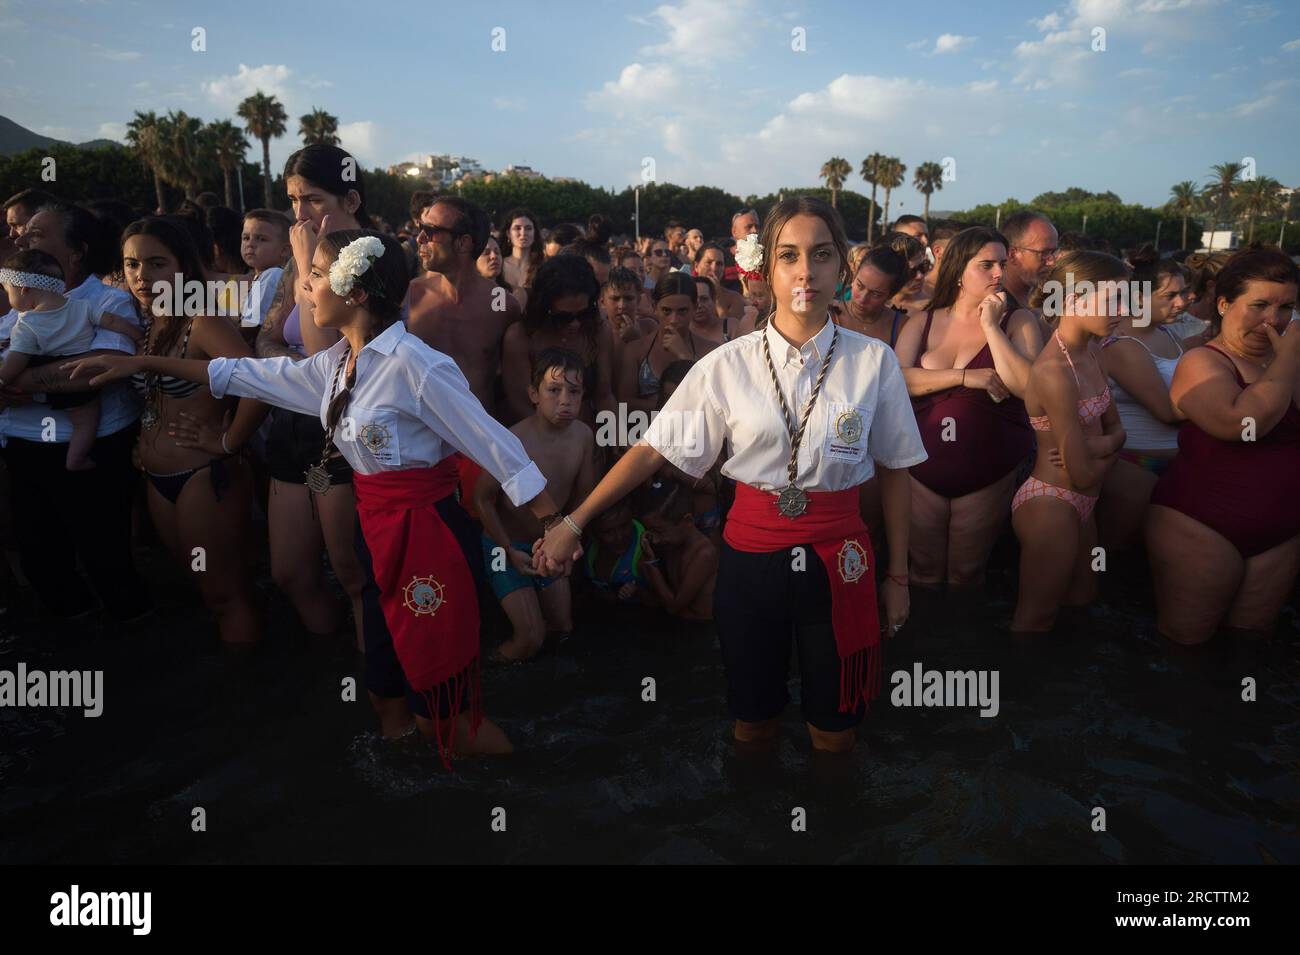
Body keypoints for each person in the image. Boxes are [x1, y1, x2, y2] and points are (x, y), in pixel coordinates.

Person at [68, 230, 569, 764]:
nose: (303, 288)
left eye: (315, 277)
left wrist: (555, 524)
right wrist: (143, 364)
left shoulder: (416, 365)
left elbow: (494, 443)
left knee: (442, 712)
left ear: (354, 292)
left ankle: (533, 788)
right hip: (375, 532)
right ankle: (416, 791)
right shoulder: (334, 367)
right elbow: (244, 373)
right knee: (385, 691)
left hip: (428, 538)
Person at [537, 196, 926, 753]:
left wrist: (899, 577)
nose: (806, 271)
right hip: (751, 560)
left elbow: (895, 470)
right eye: (789, 255)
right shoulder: (726, 364)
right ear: (766, 268)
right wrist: (574, 521)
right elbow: (652, 451)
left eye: (821, 254)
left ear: (841, 264)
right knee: (752, 723)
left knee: (836, 732)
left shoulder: (874, 361)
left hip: (844, 560)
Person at [0, 201, 151, 624]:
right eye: (22, 234)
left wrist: (21, 381)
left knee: (106, 558)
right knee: (40, 557)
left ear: (76, 252)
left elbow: (96, 371)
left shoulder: (106, 302)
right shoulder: (17, 306)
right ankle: (75, 634)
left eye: (36, 235)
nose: (22, 240)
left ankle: (137, 648)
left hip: (93, 444)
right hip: (25, 445)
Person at [1145, 246, 1300, 645]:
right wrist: (1288, 363)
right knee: (1186, 644)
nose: (1273, 320)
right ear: (1225, 303)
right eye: (1260, 305)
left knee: (1249, 646)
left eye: (1285, 308)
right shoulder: (1203, 361)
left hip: (1280, 530)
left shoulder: (1287, 364)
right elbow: (1241, 423)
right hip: (1202, 524)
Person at [254, 144, 370, 645]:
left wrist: (306, 264)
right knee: (291, 573)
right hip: (294, 428)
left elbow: (329, 363)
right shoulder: (291, 269)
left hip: (343, 436)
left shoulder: (372, 261)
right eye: (293, 201)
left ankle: (376, 686)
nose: (299, 215)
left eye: (313, 200)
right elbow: (267, 335)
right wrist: (288, 360)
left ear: (351, 199)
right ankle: (328, 674)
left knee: (353, 575)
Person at [895, 226, 1042, 587]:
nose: (998, 273)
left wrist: (991, 326)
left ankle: (964, 640)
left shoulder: (1019, 321)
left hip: (988, 471)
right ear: (959, 269)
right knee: (923, 574)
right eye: (986, 264)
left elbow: (1029, 388)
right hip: (920, 470)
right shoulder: (923, 320)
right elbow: (895, 381)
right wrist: (963, 377)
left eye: (1002, 264)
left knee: (967, 575)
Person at [1011, 252, 1129, 632]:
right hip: (1052, 503)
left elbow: (1118, 430)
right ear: (1071, 301)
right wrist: (1106, 447)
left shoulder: (1095, 353)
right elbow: (1077, 473)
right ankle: (1024, 687)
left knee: (1083, 599)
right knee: (1035, 619)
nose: (1123, 311)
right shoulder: (1053, 372)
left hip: (1086, 504)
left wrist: (1095, 448)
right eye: (1112, 300)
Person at [474, 348, 595, 662]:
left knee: (561, 627)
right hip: (504, 546)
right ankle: (485, 670)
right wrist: (507, 548)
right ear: (533, 394)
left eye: (574, 391)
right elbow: (481, 498)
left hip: (549, 544)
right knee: (529, 638)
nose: (565, 400)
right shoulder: (513, 440)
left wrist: (568, 541)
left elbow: (583, 499)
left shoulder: (583, 436)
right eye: (554, 390)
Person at [0, 250, 141, 470]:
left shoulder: (26, 324)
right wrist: (138, 335)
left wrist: (3, 381)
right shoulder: (83, 306)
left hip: (43, 370)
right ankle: (76, 459)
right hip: (79, 381)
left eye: (8, 292)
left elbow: (17, 359)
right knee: (86, 423)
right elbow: (113, 322)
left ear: (24, 289)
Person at [1095, 247, 1189, 551]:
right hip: (1137, 463)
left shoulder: (1166, 331)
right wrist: (1230, 407)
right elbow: (1167, 411)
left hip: (1175, 461)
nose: (1182, 302)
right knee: (1114, 552)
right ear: (1138, 299)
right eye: (1169, 295)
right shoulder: (1122, 344)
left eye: (1184, 293)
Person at [502, 254, 616, 427]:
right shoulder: (521, 337)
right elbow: (521, 404)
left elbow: (604, 395)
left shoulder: (598, 330)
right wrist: (561, 440)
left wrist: (616, 436)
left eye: (583, 314)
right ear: (544, 309)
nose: (576, 324)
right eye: (564, 317)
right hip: (536, 440)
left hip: (589, 437)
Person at [618, 272, 709, 415]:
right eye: (667, 311)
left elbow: (712, 401)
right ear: (654, 306)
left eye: (682, 311)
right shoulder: (636, 350)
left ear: (695, 307)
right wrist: (673, 406)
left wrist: (684, 356)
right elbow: (624, 402)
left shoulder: (710, 350)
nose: (673, 319)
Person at [632, 478, 717, 620]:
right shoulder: (670, 544)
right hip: (676, 622)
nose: (656, 538)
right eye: (650, 531)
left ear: (687, 522)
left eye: (660, 531)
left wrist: (651, 563)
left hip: (698, 627)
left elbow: (674, 606)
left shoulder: (704, 554)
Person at [834, 245, 912, 347]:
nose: (862, 299)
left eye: (875, 294)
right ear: (854, 276)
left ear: (891, 295)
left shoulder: (901, 327)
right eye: (860, 286)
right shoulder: (829, 315)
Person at [238, 208, 292, 338]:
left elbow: (251, 327)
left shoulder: (272, 275)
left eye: (261, 239)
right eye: (246, 238)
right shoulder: (261, 276)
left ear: (284, 250)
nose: (250, 244)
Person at [880, 231, 931, 321]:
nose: (920, 276)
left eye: (923, 267)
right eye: (910, 271)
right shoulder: (867, 303)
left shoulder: (932, 310)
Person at [692, 243, 747, 325]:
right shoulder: (685, 293)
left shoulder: (734, 298)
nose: (714, 268)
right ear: (696, 266)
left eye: (719, 264)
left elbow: (731, 333)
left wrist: (718, 298)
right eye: (708, 262)